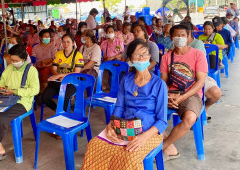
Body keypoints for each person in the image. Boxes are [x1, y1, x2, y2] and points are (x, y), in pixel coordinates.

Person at [82, 39, 167, 170]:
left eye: (144, 54)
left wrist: (143, 138)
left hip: (149, 131)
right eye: (137, 55)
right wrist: (111, 125)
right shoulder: (126, 79)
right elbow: (120, 106)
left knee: (128, 156)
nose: (141, 58)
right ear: (131, 60)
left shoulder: (159, 84)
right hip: (125, 127)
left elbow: (162, 121)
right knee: (94, 145)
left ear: (150, 57)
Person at [0, 44, 39, 168]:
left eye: (16, 61)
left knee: (1, 119)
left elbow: (35, 90)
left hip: (22, 102)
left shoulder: (31, 70)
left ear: (23, 59)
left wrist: (15, 91)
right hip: (6, 99)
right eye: (11, 60)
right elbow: (0, 83)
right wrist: (1, 88)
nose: (13, 63)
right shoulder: (9, 68)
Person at [160, 24, 207, 159]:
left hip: (191, 94)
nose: (179, 38)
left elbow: (200, 82)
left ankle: (163, 145)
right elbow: (164, 81)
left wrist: (181, 98)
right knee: (147, 109)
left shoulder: (198, 54)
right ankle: (168, 148)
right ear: (171, 37)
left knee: (189, 119)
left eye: (182, 36)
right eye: (176, 35)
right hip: (171, 93)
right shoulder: (167, 57)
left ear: (188, 37)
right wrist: (166, 96)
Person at [178, 22, 222, 119]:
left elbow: (198, 67)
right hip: (178, 78)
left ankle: (204, 107)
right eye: (177, 35)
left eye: (182, 34)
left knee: (216, 93)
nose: (179, 37)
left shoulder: (197, 44)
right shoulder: (175, 45)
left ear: (189, 32)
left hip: (196, 76)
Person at [41, 33, 84, 111]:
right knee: (44, 97)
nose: (66, 44)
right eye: (64, 42)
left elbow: (76, 73)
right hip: (58, 81)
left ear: (73, 43)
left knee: (65, 97)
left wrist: (61, 76)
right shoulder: (58, 54)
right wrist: (59, 76)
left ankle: (63, 115)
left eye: (68, 42)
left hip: (73, 82)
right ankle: (57, 111)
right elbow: (53, 69)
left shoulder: (78, 55)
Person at [32, 29, 57, 93]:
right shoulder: (35, 47)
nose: (47, 38)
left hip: (50, 66)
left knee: (45, 71)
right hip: (38, 66)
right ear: (40, 38)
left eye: (48, 36)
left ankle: (44, 92)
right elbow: (33, 59)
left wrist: (46, 65)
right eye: (45, 36)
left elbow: (55, 59)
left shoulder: (52, 47)